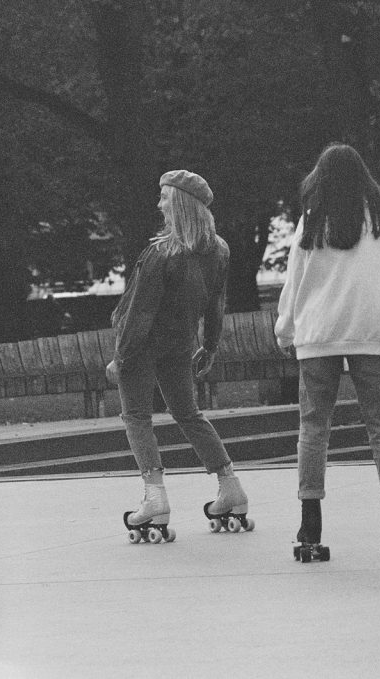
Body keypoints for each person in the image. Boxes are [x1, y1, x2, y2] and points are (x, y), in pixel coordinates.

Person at [274, 143, 380, 561]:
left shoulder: (309, 223)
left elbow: (293, 283)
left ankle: (309, 523)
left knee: (313, 427)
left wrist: (285, 329)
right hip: (367, 334)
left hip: (316, 339)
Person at [105, 170, 252, 544]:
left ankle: (154, 499)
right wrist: (212, 344)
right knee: (188, 413)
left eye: (165, 197)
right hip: (181, 344)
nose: (159, 204)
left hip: (143, 347)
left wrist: (120, 357)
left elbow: (140, 313)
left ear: (182, 204)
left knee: (136, 416)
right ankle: (230, 487)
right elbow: (217, 302)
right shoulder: (219, 249)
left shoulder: (161, 253)